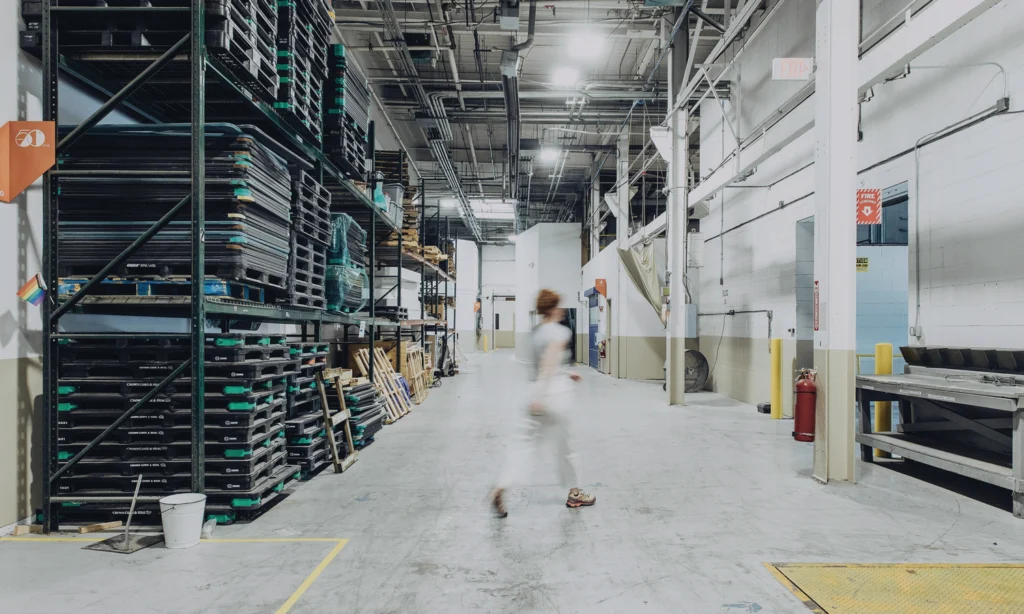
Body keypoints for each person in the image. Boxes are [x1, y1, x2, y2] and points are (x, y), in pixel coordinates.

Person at [491, 289, 595, 517]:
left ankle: (502, 485)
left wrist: (563, 374)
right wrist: (545, 392)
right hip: (554, 395)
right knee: (566, 448)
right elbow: (549, 364)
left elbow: (539, 365)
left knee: (523, 445)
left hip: (533, 394)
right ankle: (575, 493)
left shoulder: (534, 333)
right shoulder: (560, 332)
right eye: (558, 306)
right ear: (552, 309)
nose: (561, 310)